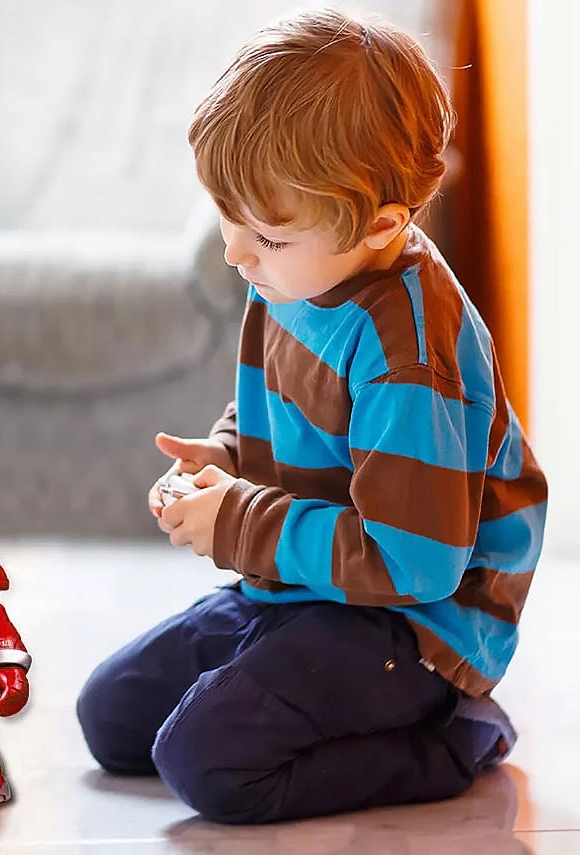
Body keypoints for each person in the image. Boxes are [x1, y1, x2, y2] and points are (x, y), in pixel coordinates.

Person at [76, 8, 547, 825]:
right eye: (225, 215)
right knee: (112, 717)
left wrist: (239, 522)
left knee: (206, 761)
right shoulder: (298, 268)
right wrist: (228, 453)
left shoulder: (408, 358)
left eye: (262, 233)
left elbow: (414, 563)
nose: (235, 252)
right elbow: (286, 401)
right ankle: (290, 662)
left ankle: (453, 734)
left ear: (381, 224)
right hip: (310, 584)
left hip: (412, 626)